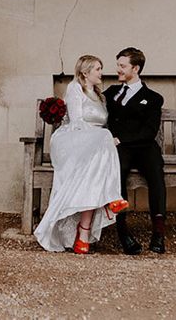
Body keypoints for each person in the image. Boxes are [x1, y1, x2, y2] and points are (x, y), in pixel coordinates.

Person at [34, 55, 129, 254]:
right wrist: (103, 138)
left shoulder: (100, 95)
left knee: (92, 177)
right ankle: (112, 195)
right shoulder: (75, 88)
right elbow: (76, 122)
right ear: (85, 72)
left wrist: (104, 139)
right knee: (104, 137)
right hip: (72, 141)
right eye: (97, 69)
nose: (101, 72)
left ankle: (83, 235)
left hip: (95, 146)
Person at [105, 47, 167, 255]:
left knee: (156, 174)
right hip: (120, 149)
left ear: (136, 68)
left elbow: (149, 131)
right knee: (118, 172)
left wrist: (121, 138)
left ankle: (158, 234)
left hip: (144, 147)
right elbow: (89, 100)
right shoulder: (111, 93)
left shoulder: (153, 98)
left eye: (122, 66)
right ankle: (123, 232)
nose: (118, 70)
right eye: (118, 66)